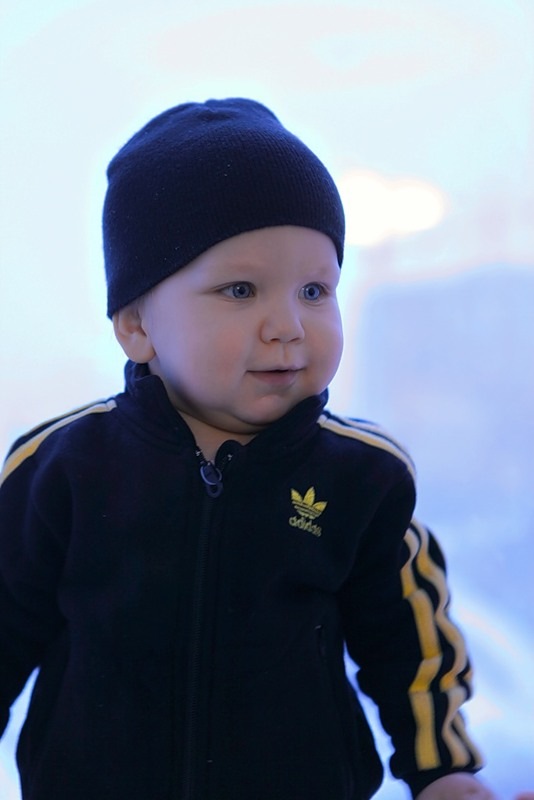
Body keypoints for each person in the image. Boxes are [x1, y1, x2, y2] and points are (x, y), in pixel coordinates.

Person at [0, 97, 522, 800]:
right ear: (137, 327)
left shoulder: (362, 479)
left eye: (315, 290)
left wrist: (443, 770)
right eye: (241, 289)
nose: (289, 325)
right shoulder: (61, 470)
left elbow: (411, 644)